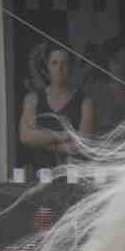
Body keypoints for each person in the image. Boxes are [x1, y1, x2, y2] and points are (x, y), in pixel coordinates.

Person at [18, 44, 96, 173]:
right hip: (40, 176)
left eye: (65, 63)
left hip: (74, 177)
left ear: (71, 67)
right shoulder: (32, 99)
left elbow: (82, 144)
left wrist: (44, 141)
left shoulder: (85, 102)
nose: (60, 69)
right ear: (47, 66)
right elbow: (26, 137)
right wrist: (63, 135)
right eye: (54, 63)